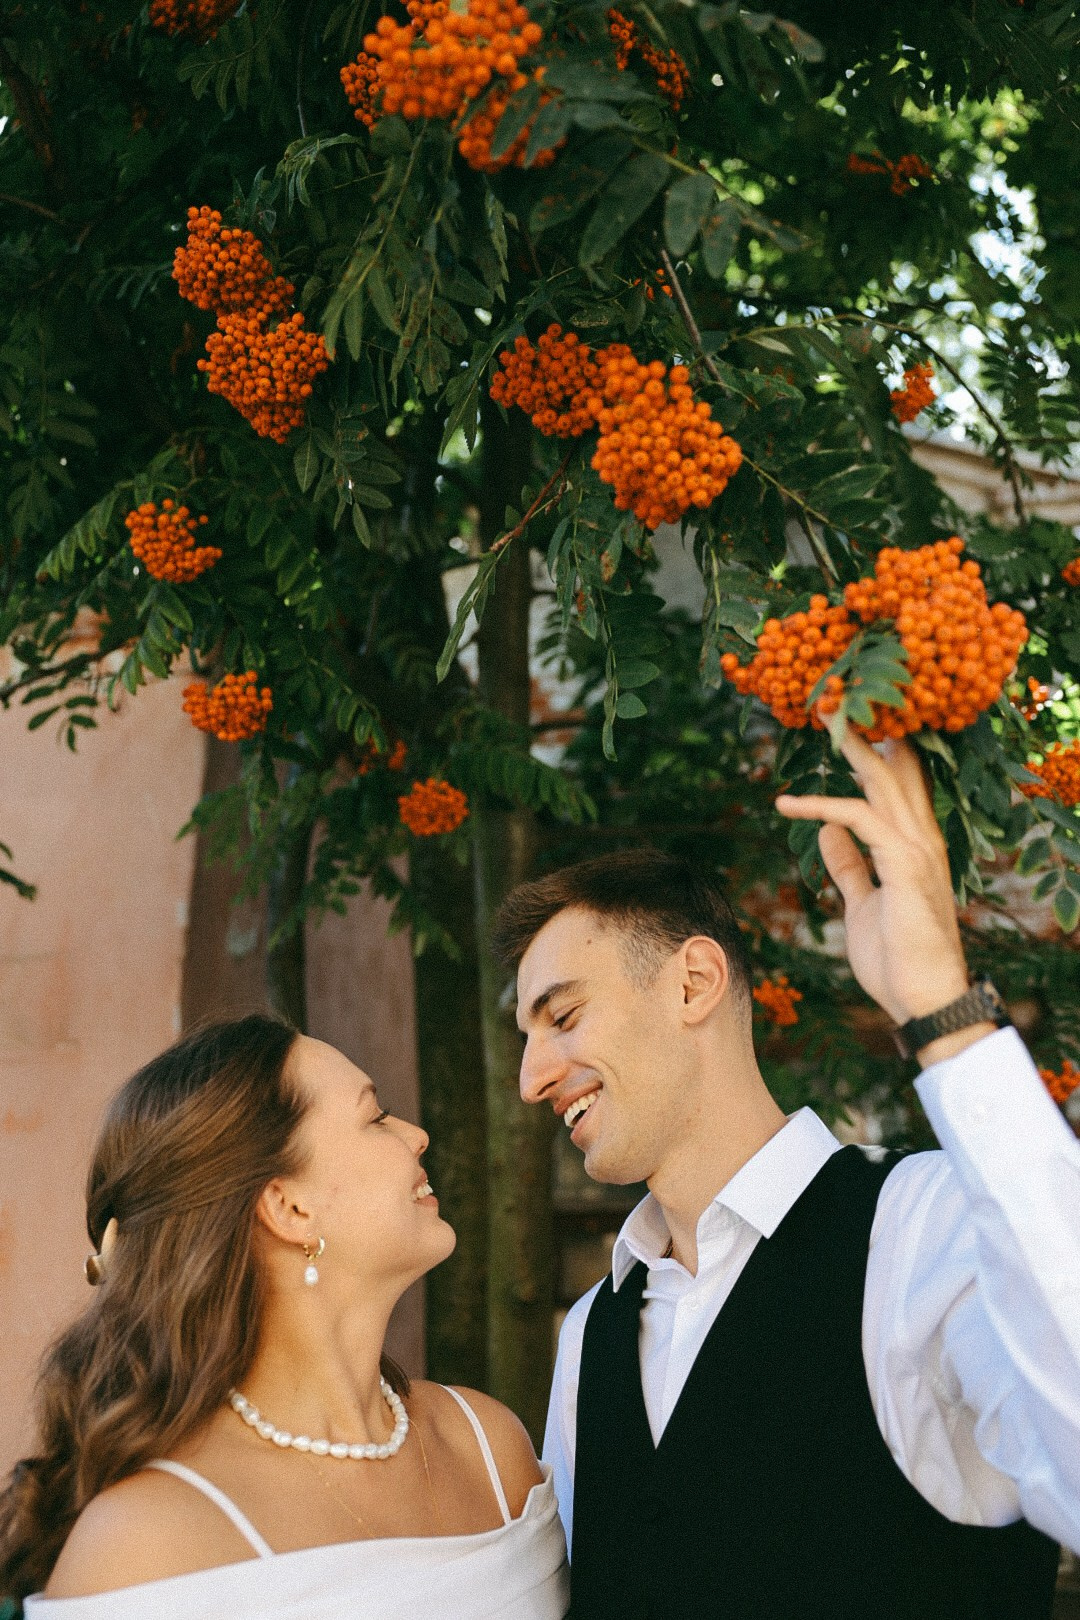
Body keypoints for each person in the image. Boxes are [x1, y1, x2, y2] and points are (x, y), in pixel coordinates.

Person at [498, 732, 1080, 1620]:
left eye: (564, 1016)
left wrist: (941, 1011)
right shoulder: (590, 1337)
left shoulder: (916, 1228)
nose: (532, 1077)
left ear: (693, 984)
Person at [0, 1017, 568, 1618]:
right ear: (288, 1206)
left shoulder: (485, 1446)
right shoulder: (145, 1543)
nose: (417, 1135)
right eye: (375, 1117)